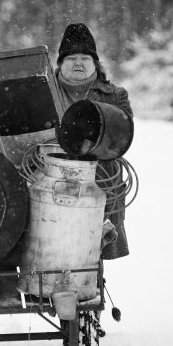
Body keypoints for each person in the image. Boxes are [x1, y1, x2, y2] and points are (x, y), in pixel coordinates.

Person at [55, 23, 132, 260]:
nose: (78, 63)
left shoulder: (114, 95)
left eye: (84, 57)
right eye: (71, 58)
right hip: (54, 183)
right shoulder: (45, 90)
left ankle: (92, 290)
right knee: (51, 249)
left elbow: (119, 138)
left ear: (95, 63)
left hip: (99, 183)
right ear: (60, 63)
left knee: (90, 256)